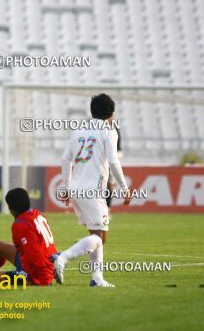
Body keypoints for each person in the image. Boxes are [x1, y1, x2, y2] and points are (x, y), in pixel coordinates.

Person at [52, 93, 131, 287]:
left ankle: (97, 278)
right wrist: (124, 187)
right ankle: (61, 258)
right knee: (100, 237)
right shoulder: (109, 131)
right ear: (111, 114)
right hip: (92, 191)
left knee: (96, 234)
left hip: (77, 189)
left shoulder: (78, 131)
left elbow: (65, 159)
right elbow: (113, 161)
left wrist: (66, 187)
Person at [0, 188, 56, 286]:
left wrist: (42, 279)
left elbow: (34, 253)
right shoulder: (38, 214)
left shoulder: (20, 224)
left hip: (36, 273)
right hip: (45, 264)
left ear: (11, 208)